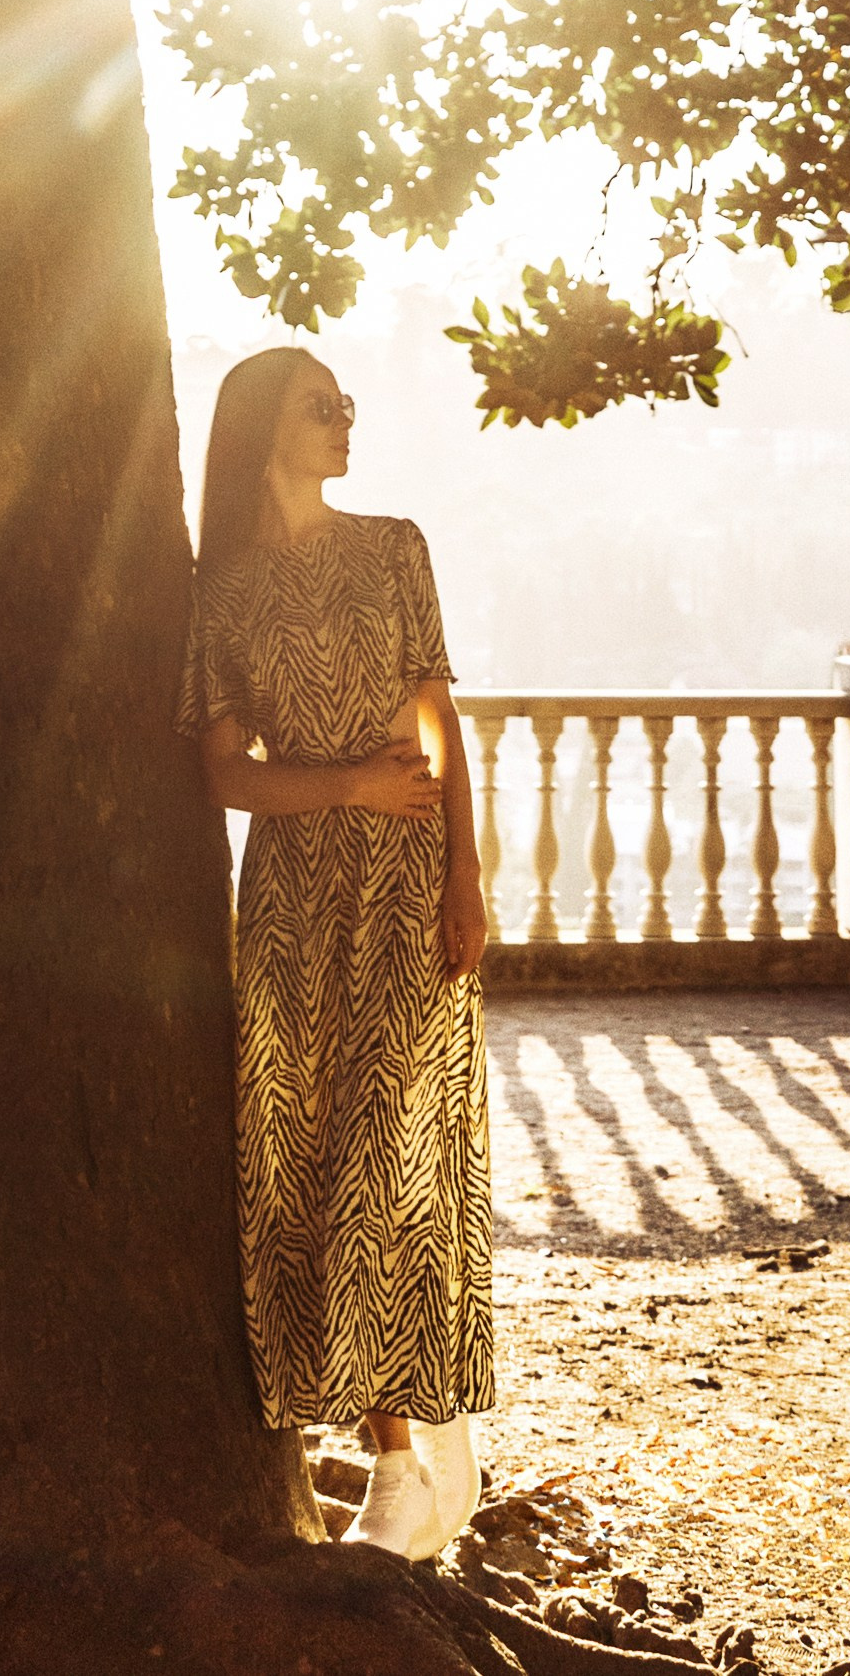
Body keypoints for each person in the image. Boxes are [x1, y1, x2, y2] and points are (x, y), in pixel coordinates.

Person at [176, 343, 493, 1560]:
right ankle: (408, 1441)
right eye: (322, 407)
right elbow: (221, 773)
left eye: (349, 403)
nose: (345, 420)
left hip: (409, 884)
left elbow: (439, 715)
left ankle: (403, 1453)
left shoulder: (393, 545)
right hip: (300, 896)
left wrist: (466, 874)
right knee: (320, 1162)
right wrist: (348, 781)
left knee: (396, 1145)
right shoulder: (224, 592)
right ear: (264, 427)